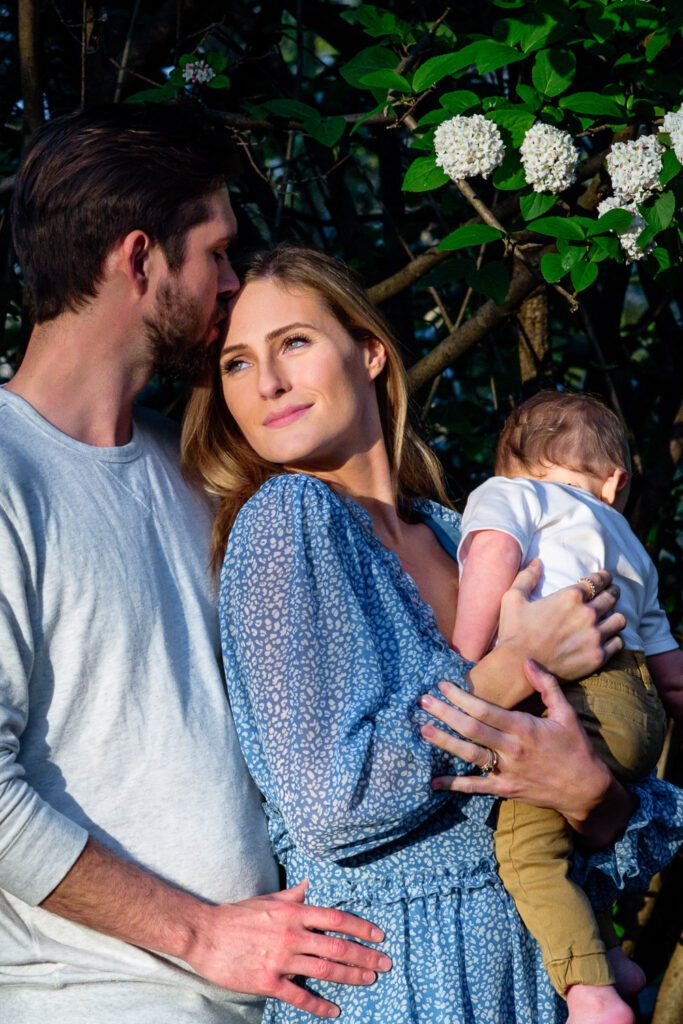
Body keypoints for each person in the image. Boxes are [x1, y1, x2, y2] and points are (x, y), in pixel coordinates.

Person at [182, 244, 683, 1023]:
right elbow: (330, 802)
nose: (267, 382)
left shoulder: (457, 532)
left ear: (370, 352)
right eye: (236, 364)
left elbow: (613, 814)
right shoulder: (289, 521)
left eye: (294, 342)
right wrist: (512, 667)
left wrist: (592, 796)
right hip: (401, 979)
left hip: (537, 977)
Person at [0, 105, 397, 1024]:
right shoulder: (10, 472)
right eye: (215, 253)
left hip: (265, 999)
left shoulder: (201, 473)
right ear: (139, 259)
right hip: (94, 1000)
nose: (229, 283)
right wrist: (200, 935)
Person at [451, 390, 683, 1024]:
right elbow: (671, 674)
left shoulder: (512, 493)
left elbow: (494, 554)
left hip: (576, 691)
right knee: (565, 832)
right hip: (638, 708)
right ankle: (610, 953)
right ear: (613, 483)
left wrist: (466, 657)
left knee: (526, 851)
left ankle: (591, 994)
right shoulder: (632, 547)